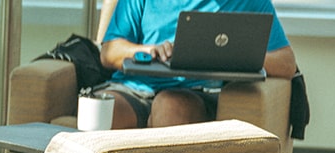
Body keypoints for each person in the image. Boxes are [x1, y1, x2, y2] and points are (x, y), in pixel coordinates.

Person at [96, 0, 297, 129]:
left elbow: (286, 62)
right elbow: (108, 53)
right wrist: (150, 51)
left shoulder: (249, 2)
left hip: (197, 94)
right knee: (98, 112)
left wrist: (232, 54)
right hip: (133, 90)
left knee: (169, 106)